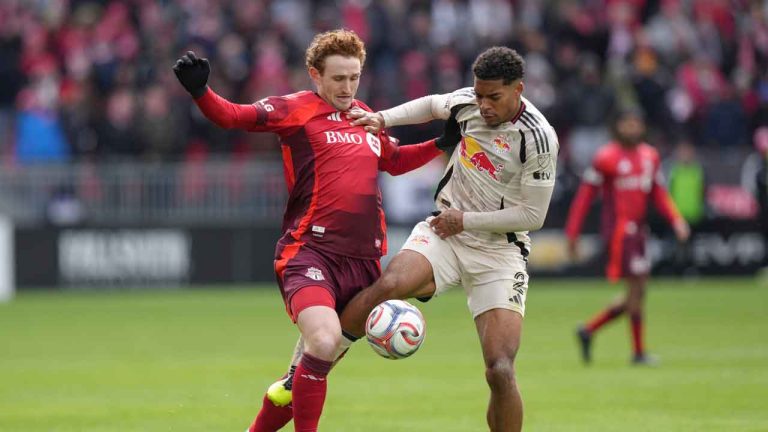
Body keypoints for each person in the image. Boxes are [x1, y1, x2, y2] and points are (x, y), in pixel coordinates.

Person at [173, 29, 445, 432]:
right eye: (338, 78)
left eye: (354, 77)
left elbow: (396, 159)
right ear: (315, 74)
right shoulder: (295, 109)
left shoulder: (364, 116)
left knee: (299, 378)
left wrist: (444, 142)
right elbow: (232, 116)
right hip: (310, 253)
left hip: (364, 265)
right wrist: (201, 93)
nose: (348, 87)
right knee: (322, 343)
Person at [342, 46, 559, 432]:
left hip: (500, 251)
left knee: (500, 370)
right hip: (445, 231)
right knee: (391, 284)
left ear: (518, 89)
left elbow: (533, 216)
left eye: (494, 97)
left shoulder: (538, 139)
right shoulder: (469, 104)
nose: (484, 105)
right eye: (479, 95)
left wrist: (467, 221)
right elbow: (431, 105)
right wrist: (382, 118)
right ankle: (317, 360)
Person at [564, 109, 690, 366]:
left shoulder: (649, 156)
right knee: (637, 289)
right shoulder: (606, 158)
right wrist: (573, 234)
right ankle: (638, 352)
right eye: (627, 124)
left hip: (640, 232)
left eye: (636, 124)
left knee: (637, 292)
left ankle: (589, 330)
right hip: (620, 233)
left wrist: (676, 220)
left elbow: (658, 193)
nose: (632, 129)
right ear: (617, 127)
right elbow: (585, 197)